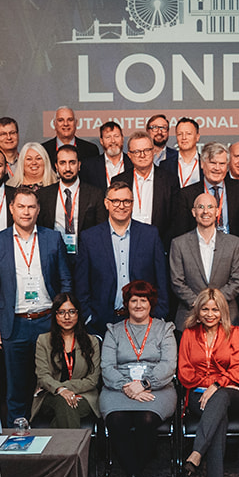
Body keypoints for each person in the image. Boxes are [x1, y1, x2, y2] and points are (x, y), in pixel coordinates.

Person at [0, 189, 72, 420]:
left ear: (39, 210)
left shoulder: (52, 238)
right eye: (21, 206)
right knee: (17, 387)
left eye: (31, 207)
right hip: (14, 324)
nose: (26, 212)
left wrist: (65, 317)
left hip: (47, 322)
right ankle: (18, 438)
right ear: (11, 208)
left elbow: (65, 280)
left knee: (53, 382)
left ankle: (55, 437)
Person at [99, 280, 177, 477]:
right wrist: (128, 386)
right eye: (134, 300)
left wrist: (143, 384)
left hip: (157, 387)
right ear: (127, 304)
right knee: (117, 420)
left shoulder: (164, 329)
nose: (139, 304)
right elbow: (107, 367)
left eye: (144, 300)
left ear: (151, 303)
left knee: (146, 420)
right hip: (118, 387)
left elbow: (169, 365)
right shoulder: (113, 331)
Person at [176, 289, 239, 477]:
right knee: (219, 417)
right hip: (198, 396)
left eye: (215, 309)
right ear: (198, 311)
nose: (210, 314)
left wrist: (216, 384)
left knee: (221, 398)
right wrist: (211, 384)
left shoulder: (234, 333)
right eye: (205, 309)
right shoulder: (188, 334)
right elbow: (184, 372)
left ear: (222, 311)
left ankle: (197, 452)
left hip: (232, 394)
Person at [75, 180, 170, 334]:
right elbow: (82, 285)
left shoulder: (150, 235)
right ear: (106, 203)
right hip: (103, 322)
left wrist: (158, 315)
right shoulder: (89, 238)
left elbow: (161, 279)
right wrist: (88, 317)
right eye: (116, 201)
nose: (121, 206)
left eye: (126, 201)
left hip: (144, 320)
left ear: (132, 204)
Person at [168, 192, 239, 325]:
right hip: (190, 317)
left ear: (217, 211)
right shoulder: (178, 243)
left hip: (226, 317)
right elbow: (177, 282)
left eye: (210, 207)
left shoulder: (234, 243)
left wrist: (215, 304)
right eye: (200, 207)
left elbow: (238, 280)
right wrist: (200, 305)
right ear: (193, 212)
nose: (205, 212)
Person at [32, 294, 101, 428]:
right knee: (63, 402)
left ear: (78, 314)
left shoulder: (91, 342)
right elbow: (43, 376)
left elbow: (92, 380)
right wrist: (60, 390)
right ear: (55, 315)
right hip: (51, 395)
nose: (67, 317)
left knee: (66, 407)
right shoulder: (43, 340)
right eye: (62, 312)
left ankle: (60, 448)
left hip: (83, 396)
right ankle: (75, 449)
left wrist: (65, 388)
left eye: (71, 312)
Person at [174, 142, 239, 238]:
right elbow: (182, 233)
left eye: (222, 164)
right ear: (202, 164)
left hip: (233, 249)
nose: (217, 168)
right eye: (213, 163)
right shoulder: (187, 195)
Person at [38, 146, 107, 254]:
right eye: (62, 163)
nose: (68, 168)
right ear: (56, 166)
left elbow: (101, 229)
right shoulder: (44, 195)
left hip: (85, 255)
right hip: (54, 254)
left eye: (72, 162)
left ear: (79, 165)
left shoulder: (95, 194)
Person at [123, 130, 179, 243]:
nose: (142, 155)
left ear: (153, 151)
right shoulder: (119, 180)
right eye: (137, 151)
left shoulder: (169, 180)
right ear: (129, 155)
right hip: (126, 242)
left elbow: (175, 219)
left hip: (159, 244)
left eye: (147, 150)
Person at [158, 116, 204, 188]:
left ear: (197, 137)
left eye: (188, 134)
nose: (184, 137)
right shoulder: (165, 165)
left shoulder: (205, 164)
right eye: (180, 134)